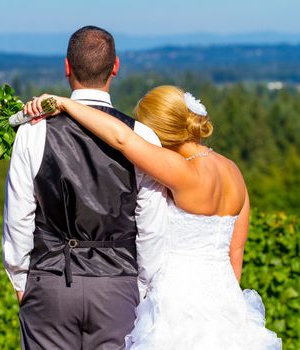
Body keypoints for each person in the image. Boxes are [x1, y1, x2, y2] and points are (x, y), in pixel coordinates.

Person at [25, 85, 282, 349]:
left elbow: (122, 138)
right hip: (227, 303)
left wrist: (66, 104)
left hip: (177, 302)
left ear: (159, 131)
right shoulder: (234, 172)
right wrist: (224, 304)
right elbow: (235, 251)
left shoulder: (183, 172)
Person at [2, 26, 167, 349]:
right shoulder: (143, 138)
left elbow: (18, 215)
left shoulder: (33, 132)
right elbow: (152, 227)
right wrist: (142, 288)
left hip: (48, 281)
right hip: (117, 286)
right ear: (115, 67)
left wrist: (21, 279)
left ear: (67, 67)